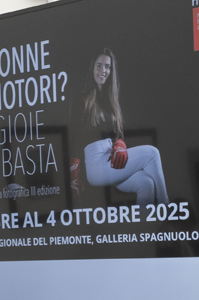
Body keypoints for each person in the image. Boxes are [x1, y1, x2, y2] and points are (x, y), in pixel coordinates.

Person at [69, 48, 167, 207]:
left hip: (111, 159)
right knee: (152, 153)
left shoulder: (111, 101)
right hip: (95, 162)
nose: (103, 70)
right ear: (92, 68)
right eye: (99, 65)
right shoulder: (82, 100)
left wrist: (119, 143)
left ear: (111, 71)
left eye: (107, 67)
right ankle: (167, 207)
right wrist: (74, 171)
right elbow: (74, 135)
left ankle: (144, 222)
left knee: (146, 183)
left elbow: (116, 134)